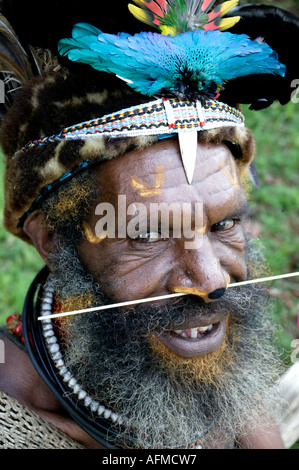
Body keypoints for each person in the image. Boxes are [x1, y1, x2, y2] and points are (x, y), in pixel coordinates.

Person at [0, 0, 298, 449]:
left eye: (225, 224)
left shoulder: (193, 342)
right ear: (52, 238)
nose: (212, 280)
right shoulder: (14, 417)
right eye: (148, 234)